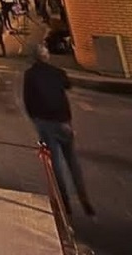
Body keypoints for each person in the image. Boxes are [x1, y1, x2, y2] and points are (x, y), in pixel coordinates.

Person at [23, 44, 94, 218]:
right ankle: (84, 199)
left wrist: (35, 119)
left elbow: (27, 100)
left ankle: (65, 203)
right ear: (46, 56)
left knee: (56, 162)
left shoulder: (30, 75)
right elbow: (67, 86)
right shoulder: (58, 72)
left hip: (44, 122)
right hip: (63, 122)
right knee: (72, 160)